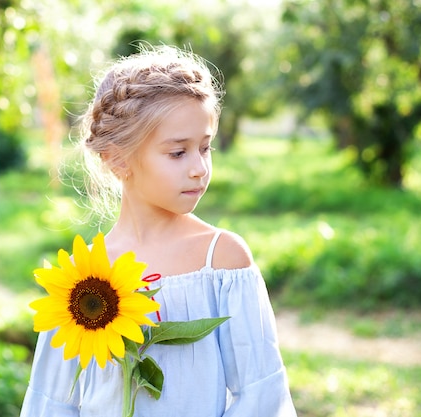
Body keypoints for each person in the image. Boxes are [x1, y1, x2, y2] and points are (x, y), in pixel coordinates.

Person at [20, 45, 297, 417]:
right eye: (178, 153)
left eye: (205, 147)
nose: (199, 168)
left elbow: (262, 394)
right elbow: (51, 402)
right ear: (117, 159)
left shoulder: (221, 260)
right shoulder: (79, 279)